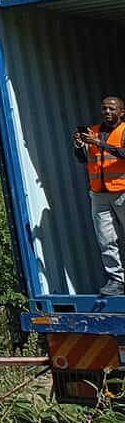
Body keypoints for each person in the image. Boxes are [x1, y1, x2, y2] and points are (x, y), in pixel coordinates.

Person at [74, 96, 125, 296]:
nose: (107, 112)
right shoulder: (93, 132)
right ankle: (117, 280)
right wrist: (79, 145)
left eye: (112, 109)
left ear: (122, 112)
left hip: (122, 191)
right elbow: (82, 159)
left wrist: (99, 143)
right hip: (99, 194)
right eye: (104, 108)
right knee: (106, 240)